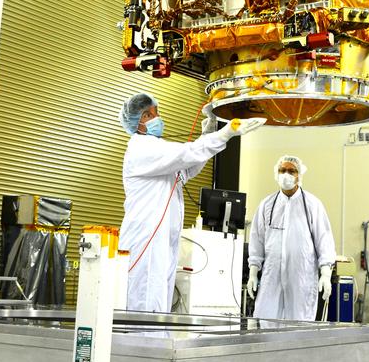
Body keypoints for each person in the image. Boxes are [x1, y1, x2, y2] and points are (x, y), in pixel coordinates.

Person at [119, 92, 265, 313]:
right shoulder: (142, 148)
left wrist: (209, 131)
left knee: (159, 300)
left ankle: (154, 342)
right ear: (137, 122)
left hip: (163, 239)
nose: (157, 118)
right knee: (145, 300)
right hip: (145, 238)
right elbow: (187, 154)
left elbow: (188, 166)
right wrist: (226, 133)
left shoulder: (159, 151)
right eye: (149, 115)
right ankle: (139, 344)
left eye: (156, 112)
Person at [247, 155, 336, 321]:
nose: (285, 174)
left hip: (301, 277)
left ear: (299, 175)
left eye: (291, 171)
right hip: (271, 278)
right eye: (282, 170)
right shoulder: (267, 204)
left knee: (299, 325)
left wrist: (325, 274)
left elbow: (324, 240)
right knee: (266, 321)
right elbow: (257, 240)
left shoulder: (312, 204)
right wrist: (253, 273)